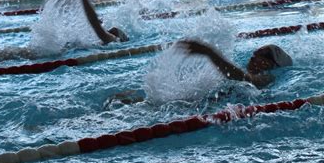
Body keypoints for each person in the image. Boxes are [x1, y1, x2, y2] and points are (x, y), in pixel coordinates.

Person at [107, 40, 293, 107]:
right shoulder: (253, 72)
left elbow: (246, 80)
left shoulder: (269, 77)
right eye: (254, 54)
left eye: (260, 56)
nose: (253, 58)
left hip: (212, 106)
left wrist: (208, 52)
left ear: (272, 64)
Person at [0, 0, 128, 61]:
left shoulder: (111, 40)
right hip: (63, 50)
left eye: (115, 31)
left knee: (23, 54)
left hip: (60, 52)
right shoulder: (97, 43)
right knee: (20, 54)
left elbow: (94, 24)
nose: (113, 29)